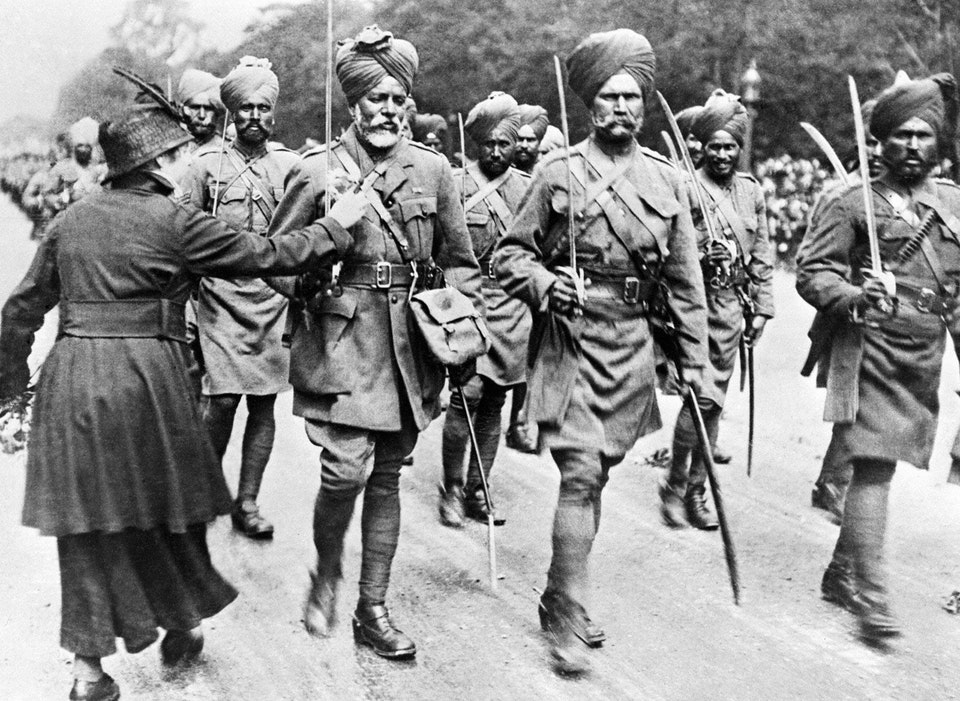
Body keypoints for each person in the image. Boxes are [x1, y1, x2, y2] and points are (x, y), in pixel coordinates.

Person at [0, 91, 364, 701]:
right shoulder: (175, 222)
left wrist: (12, 392)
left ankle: (88, 675)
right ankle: (182, 621)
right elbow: (267, 256)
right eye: (181, 151)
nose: (187, 157)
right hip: (150, 379)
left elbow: (18, 313)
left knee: (84, 526)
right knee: (175, 505)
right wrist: (336, 226)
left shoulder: (69, 221)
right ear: (162, 161)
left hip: (73, 382)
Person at [494, 28, 708, 673]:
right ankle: (567, 612)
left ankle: (561, 589)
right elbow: (509, 253)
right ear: (589, 106)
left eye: (632, 97)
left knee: (602, 473)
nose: (621, 108)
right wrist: (544, 284)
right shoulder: (559, 172)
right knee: (581, 475)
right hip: (570, 343)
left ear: (644, 104)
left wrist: (695, 361)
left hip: (633, 344)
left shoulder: (668, 180)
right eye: (609, 98)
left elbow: (685, 280)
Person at [266, 25, 482, 659]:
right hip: (340, 342)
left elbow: (460, 260)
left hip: (409, 345)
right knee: (343, 473)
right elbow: (277, 262)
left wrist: (462, 330)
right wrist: (331, 236)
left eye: (397, 100)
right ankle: (327, 570)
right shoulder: (318, 171)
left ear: (408, 104)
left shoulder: (434, 170)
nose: (387, 111)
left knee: (386, 476)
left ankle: (373, 606)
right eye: (375, 100)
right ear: (354, 104)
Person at [796, 72, 960, 643]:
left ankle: (842, 573)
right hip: (868, 344)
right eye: (901, 136)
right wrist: (854, 295)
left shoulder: (954, 206)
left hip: (923, 354)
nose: (913, 146)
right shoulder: (852, 201)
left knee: (884, 461)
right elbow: (813, 272)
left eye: (924, 136)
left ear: (938, 142)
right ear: (881, 142)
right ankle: (871, 593)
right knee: (873, 465)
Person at [186, 56, 301, 539]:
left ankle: (248, 501)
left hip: (273, 299)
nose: (254, 117)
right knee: (224, 399)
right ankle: (206, 489)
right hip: (219, 297)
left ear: (273, 114)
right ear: (230, 113)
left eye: (263, 108)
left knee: (263, 404)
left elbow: (307, 230)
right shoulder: (205, 166)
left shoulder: (291, 165)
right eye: (245, 108)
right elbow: (182, 232)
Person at [659, 90, 775, 530]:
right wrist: (703, 256)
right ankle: (678, 490)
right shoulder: (687, 188)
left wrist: (761, 307)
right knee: (700, 397)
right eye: (715, 147)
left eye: (730, 147)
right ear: (702, 148)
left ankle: (693, 489)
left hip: (732, 309)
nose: (723, 154)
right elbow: (667, 248)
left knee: (713, 403)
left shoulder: (751, 191)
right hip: (694, 304)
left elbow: (762, 253)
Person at [439, 91, 530, 527]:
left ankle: (480, 487)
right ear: (477, 143)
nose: (496, 152)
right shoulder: (455, 184)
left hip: (512, 304)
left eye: (505, 144)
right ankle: (451, 489)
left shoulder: (528, 190)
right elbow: (441, 249)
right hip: (469, 297)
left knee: (495, 399)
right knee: (465, 395)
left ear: (516, 146)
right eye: (489, 143)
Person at [805, 98, 884, 522]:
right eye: (870, 142)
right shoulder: (840, 193)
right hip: (850, 309)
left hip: (892, 315)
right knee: (853, 400)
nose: (876, 152)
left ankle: (835, 479)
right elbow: (817, 257)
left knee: (874, 401)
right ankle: (835, 483)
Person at [178, 68, 226, 150]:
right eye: (195, 108)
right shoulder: (175, 149)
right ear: (182, 110)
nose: (202, 115)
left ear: (217, 112)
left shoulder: (226, 149)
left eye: (208, 108)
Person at [513, 104, 550, 174]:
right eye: (520, 139)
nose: (524, 145)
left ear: (539, 142)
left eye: (530, 140)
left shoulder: (547, 173)